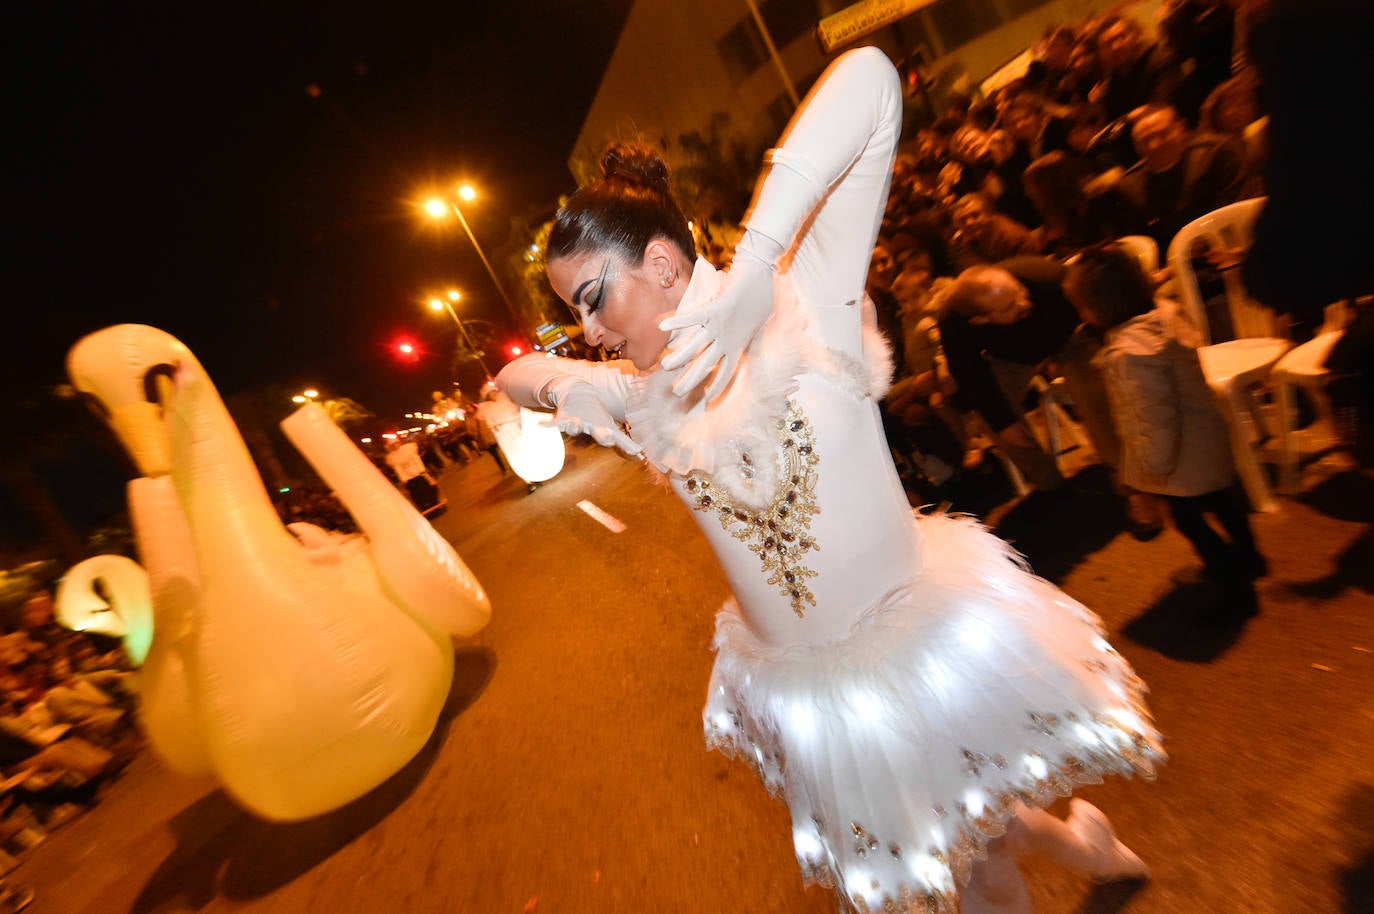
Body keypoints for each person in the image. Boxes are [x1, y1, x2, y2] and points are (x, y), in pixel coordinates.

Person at [497, 48, 1161, 914]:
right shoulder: (642, 400)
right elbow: (515, 381)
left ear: (661, 265)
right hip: (830, 702)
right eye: (574, 313)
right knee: (970, 831)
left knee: (972, 867)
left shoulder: (806, 299)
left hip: (922, 647)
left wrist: (756, 274)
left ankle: (1079, 844)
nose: (588, 330)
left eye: (592, 298)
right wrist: (537, 390)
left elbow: (872, 81)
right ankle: (1083, 842)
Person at [1066, 244, 1266, 624]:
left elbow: (1151, 418)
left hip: (1176, 462)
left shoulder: (1129, 355)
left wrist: (1152, 468)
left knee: (1192, 522)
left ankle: (1236, 589)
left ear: (1099, 307)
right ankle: (1251, 557)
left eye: (1082, 306)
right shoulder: (1166, 317)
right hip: (1205, 438)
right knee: (1225, 502)